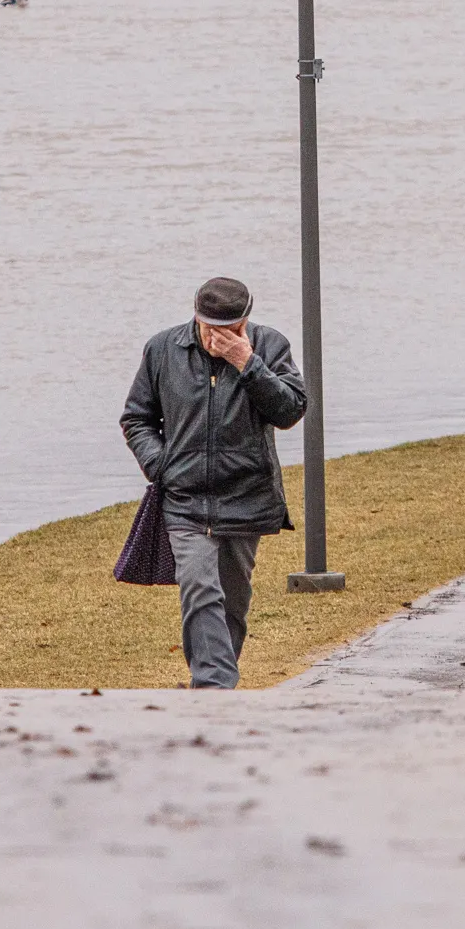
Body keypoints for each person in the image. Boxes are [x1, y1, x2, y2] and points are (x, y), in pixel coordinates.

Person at [120, 277, 307, 688]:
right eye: (209, 328)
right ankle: (213, 691)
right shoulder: (162, 350)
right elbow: (137, 418)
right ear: (196, 316)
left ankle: (216, 676)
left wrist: (247, 363)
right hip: (184, 501)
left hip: (247, 497)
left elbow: (290, 410)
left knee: (232, 603)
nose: (216, 337)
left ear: (245, 321)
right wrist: (161, 465)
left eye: (228, 329)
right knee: (200, 590)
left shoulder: (270, 346)